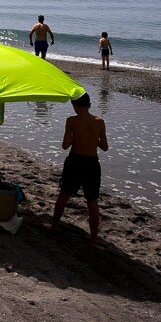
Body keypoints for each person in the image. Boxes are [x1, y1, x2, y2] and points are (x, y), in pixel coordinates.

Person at [51, 93, 108, 245]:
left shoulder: (71, 121)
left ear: (75, 106)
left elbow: (65, 145)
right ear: (89, 105)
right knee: (92, 201)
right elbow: (105, 147)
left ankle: (54, 225)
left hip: (75, 160)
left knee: (64, 194)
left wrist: (74, 136)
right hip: (92, 163)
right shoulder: (99, 121)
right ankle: (93, 239)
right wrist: (93, 138)